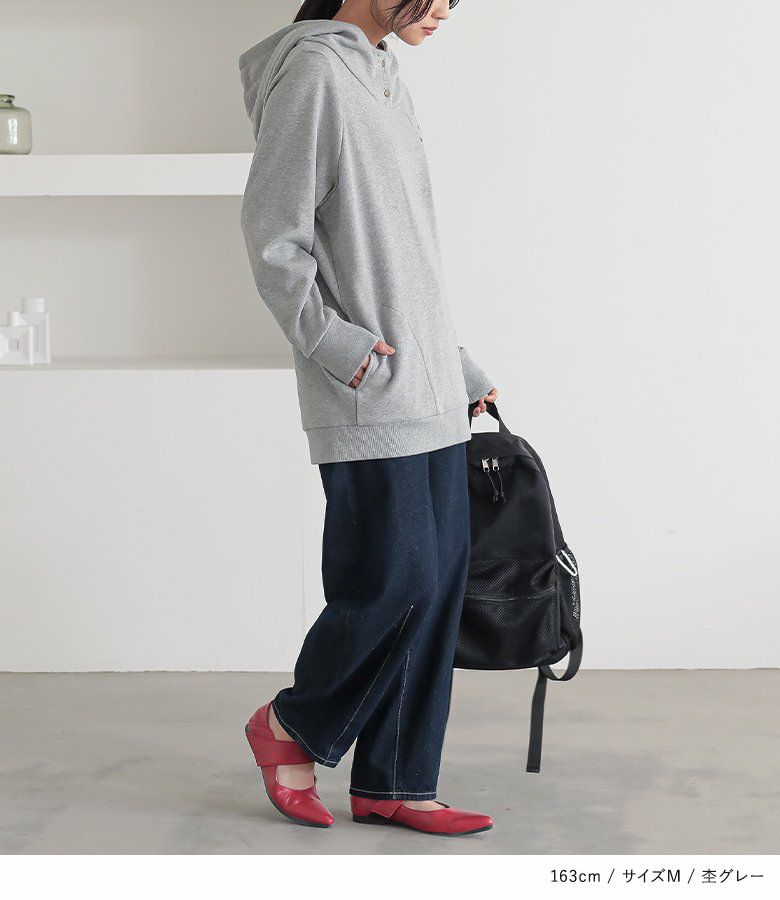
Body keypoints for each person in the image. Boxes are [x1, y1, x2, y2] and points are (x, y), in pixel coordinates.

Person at [239, 0, 497, 837]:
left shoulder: (385, 79)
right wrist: (337, 345)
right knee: (395, 581)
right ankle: (291, 724)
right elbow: (274, 237)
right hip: (368, 385)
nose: (447, 7)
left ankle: (396, 784)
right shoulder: (314, 74)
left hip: (430, 386)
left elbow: (408, 251)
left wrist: (456, 365)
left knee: (438, 588)